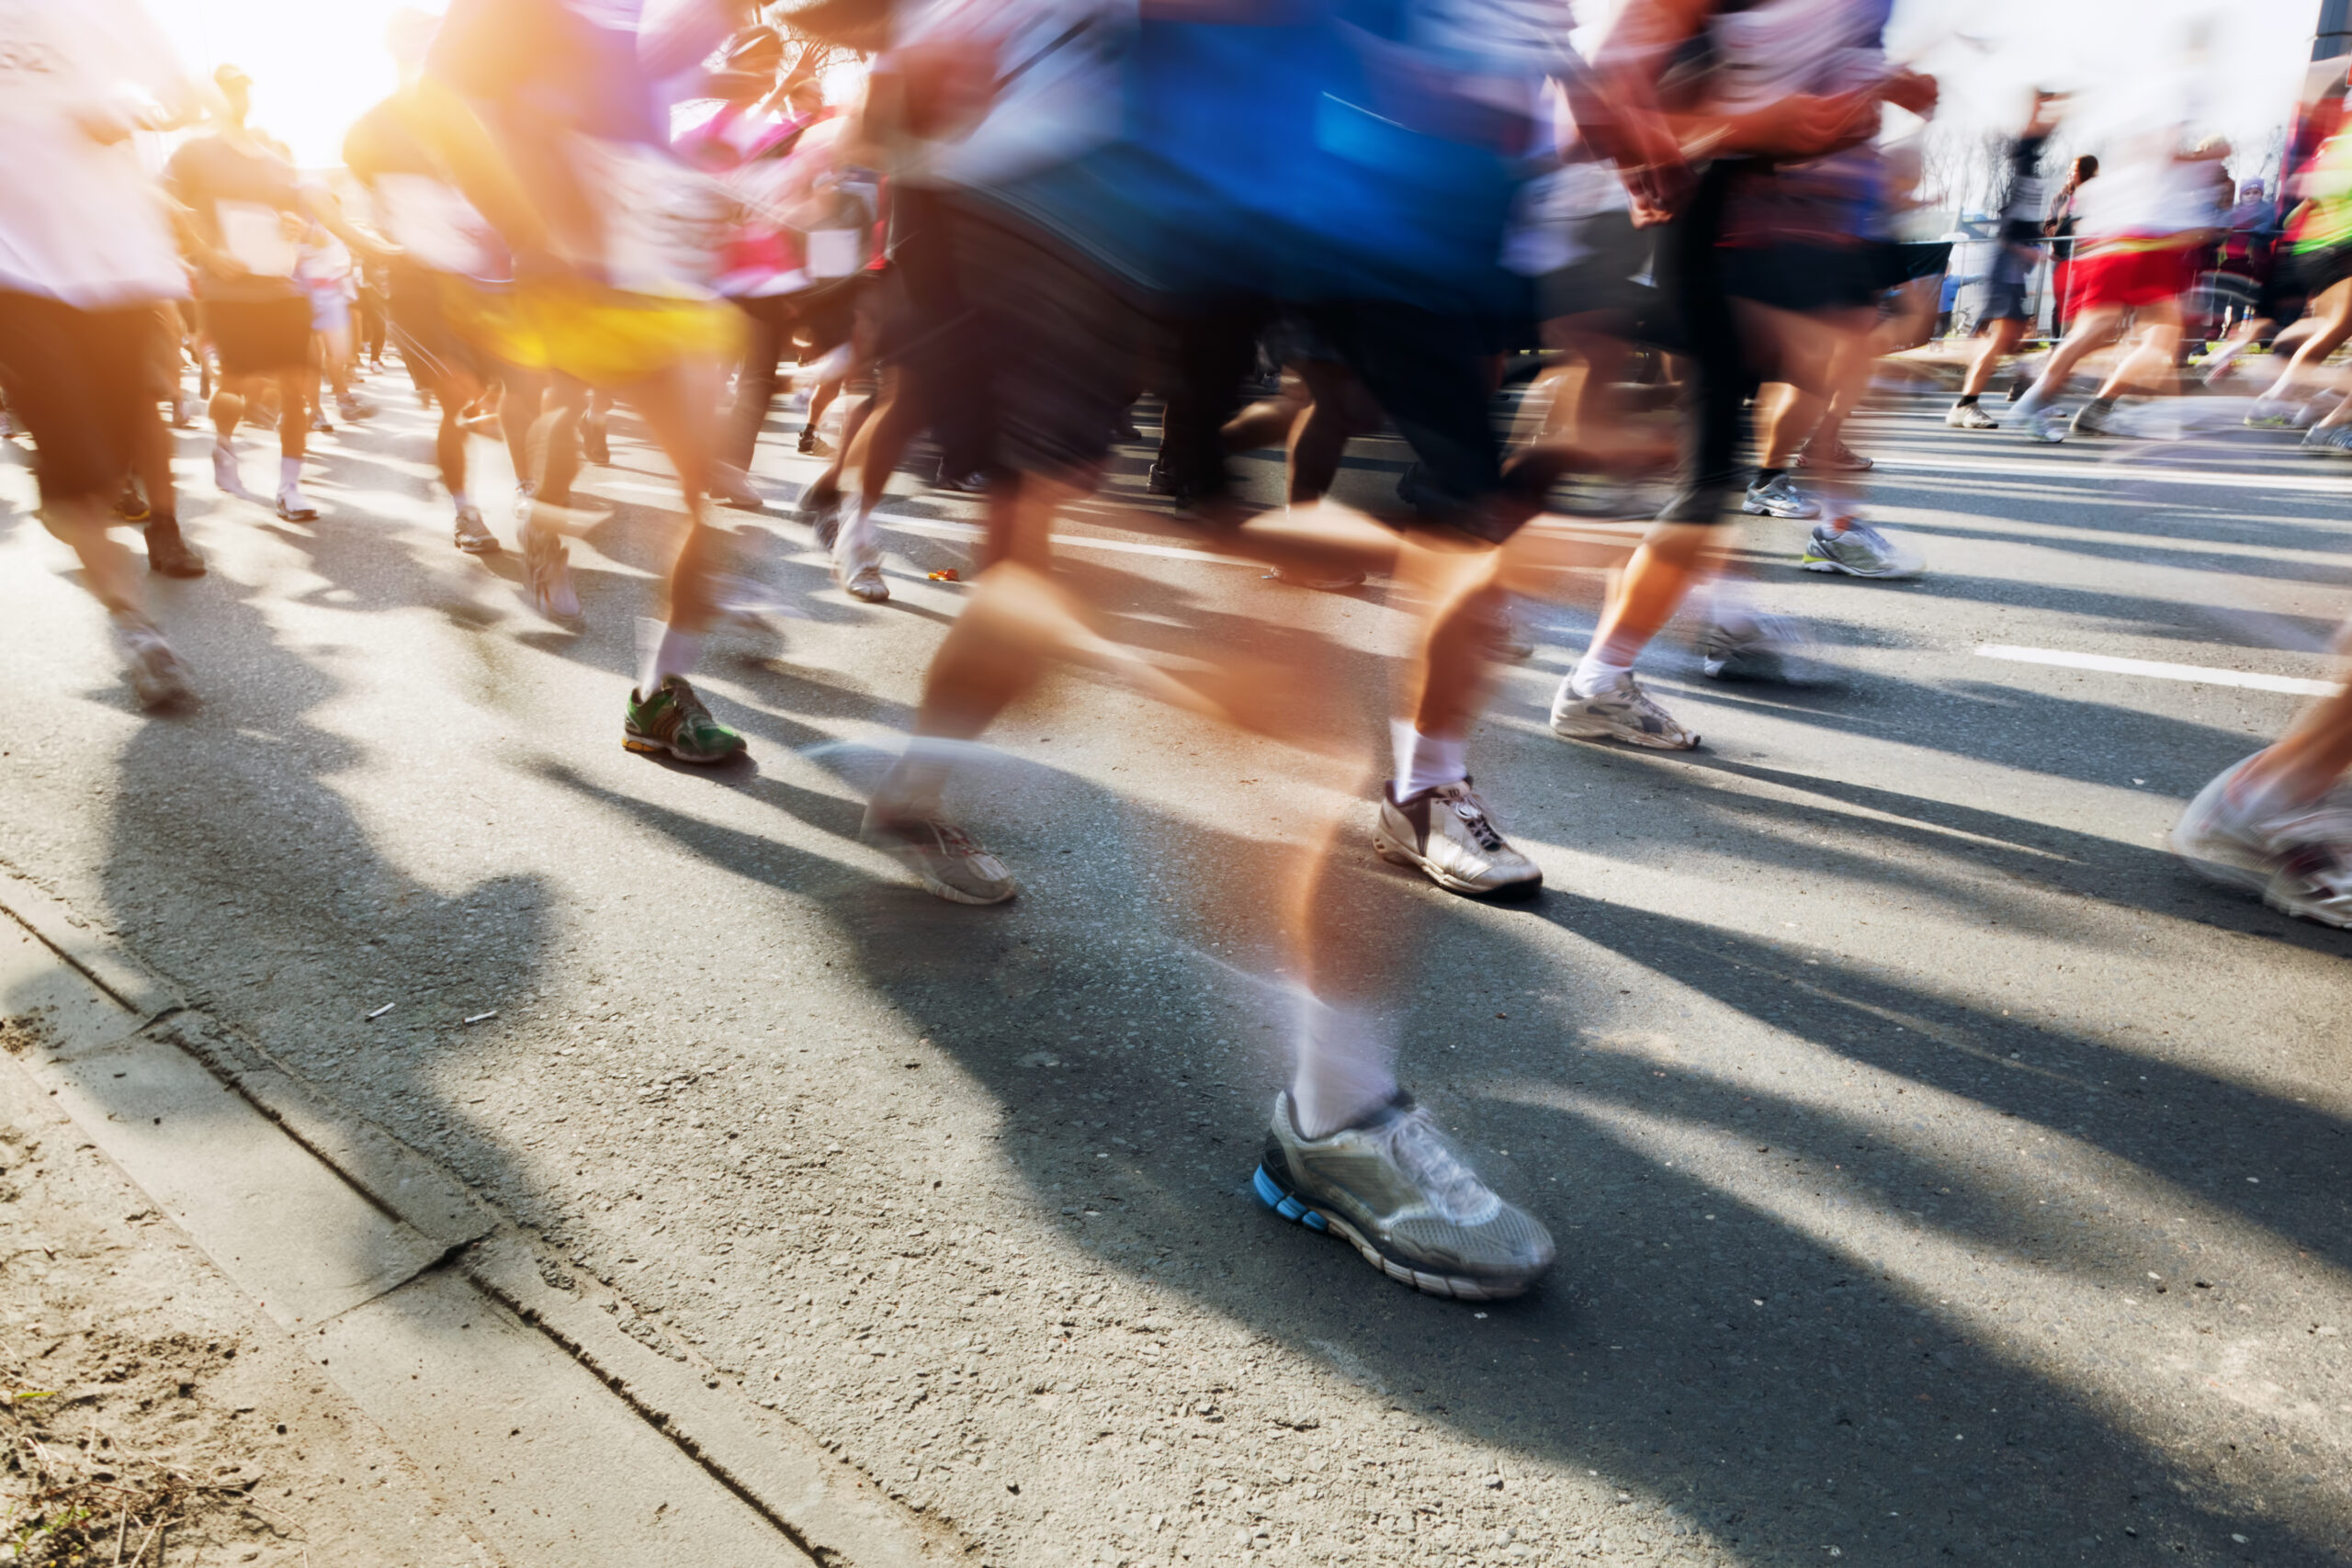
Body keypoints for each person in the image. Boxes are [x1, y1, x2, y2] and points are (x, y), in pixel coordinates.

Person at [1545, 0, 1938, 752]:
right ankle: (1599, 660)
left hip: (1787, 237)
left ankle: (1719, 609)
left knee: (1724, 460)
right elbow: (1605, 92)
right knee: (1704, 477)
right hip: (1721, 237)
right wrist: (1731, 134)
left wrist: (1884, 83)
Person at [414, 0, 756, 764]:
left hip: (658, 266)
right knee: (565, 405)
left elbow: (647, 82)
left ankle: (659, 693)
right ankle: (545, 514)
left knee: (709, 484)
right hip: (564, 275)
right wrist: (530, 227)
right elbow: (434, 103)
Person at [0, 0, 205, 707]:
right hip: (16, 271)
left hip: (120, 264)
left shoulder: (114, 10)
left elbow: (185, 95)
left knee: (108, 470)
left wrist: (129, 104)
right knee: (76, 471)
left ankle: (94, 533)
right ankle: (136, 625)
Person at [165, 64, 392, 522]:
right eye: (228, 90)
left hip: (282, 290)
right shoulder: (193, 153)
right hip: (229, 293)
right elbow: (165, 202)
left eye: (242, 89)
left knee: (297, 388)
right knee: (237, 385)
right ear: (213, 97)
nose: (237, 97)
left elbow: (301, 222)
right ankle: (225, 445)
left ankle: (290, 487)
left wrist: (295, 226)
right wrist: (206, 253)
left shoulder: (273, 160)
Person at [2007, 124, 2225, 442]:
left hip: (2127, 247)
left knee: (2113, 335)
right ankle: (2052, 397)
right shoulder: (2165, 164)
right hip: (2142, 247)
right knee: (2135, 336)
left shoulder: (2141, 170)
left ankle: (2062, 398)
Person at [1948, 90, 2061, 430]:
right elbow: (2007, 237)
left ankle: (2029, 394)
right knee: (2003, 337)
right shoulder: (2023, 174)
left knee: (2012, 338)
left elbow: (2032, 144)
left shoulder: (2030, 175)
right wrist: (2033, 252)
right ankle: (1966, 404)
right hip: (2006, 264)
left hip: (2011, 266)